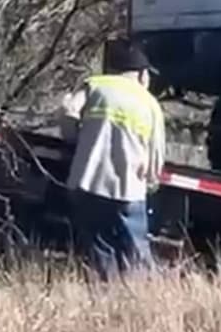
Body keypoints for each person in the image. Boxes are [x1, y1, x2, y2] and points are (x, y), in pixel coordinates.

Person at [57, 39, 166, 280]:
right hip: (129, 190)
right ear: (140, 74)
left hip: (88, 183)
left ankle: (105, 293)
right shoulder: (149, 104)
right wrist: (150, 183)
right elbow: (157, 155)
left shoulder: (94, 86)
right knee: (136, 251)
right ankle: (139, 298)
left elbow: (68, 111)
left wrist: (75, 141)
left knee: (100, 248)